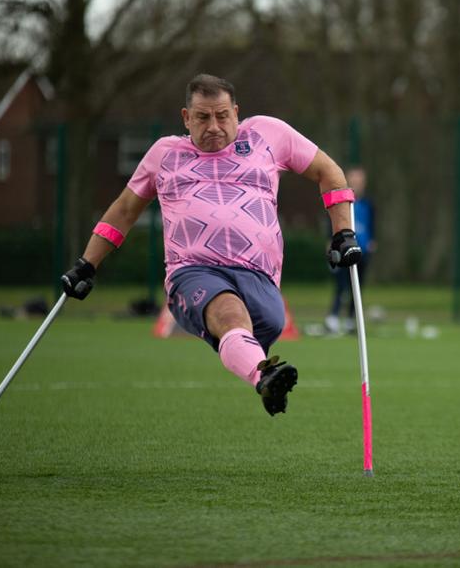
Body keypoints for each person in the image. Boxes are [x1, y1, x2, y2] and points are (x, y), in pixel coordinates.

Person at [60, 75, 361, 416]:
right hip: (193, 271)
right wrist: (87, 264)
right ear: (186, 118)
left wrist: (343, 233)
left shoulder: (267, 134)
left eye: (222, 116)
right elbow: (125, 210)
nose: (214, 126)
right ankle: (264, 375)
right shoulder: (165, 154)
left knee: (267, 323)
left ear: (236, 112)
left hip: (259, 274)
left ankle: (260, 370)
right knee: (230, 313)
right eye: (203, 118)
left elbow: (329, 171)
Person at [325, 166, 375, 334]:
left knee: (357, 287)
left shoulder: (368, 204)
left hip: (362, 251)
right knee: (341, 285)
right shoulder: (341, 202)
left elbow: (371, 225)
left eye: (360, 180)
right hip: (343, 249)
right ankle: (333, 317)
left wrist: (371, 242)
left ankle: (351, 319)